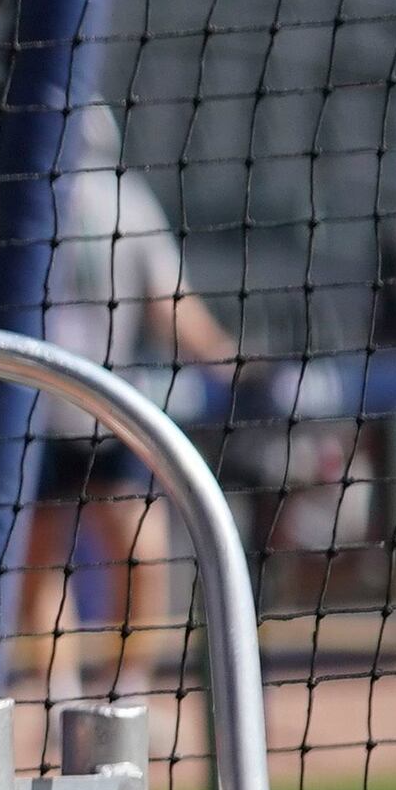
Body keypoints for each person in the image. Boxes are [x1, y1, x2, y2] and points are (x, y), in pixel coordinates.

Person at [16, 98, 239, 699]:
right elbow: (171, 303)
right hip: (53, 406)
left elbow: (169, 301)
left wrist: (226, 358)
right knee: (49, 554)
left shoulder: (117, 200)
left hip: (95, 405)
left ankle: (116, 691)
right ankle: (76, 694)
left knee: (129, 548)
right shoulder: (34, 196)